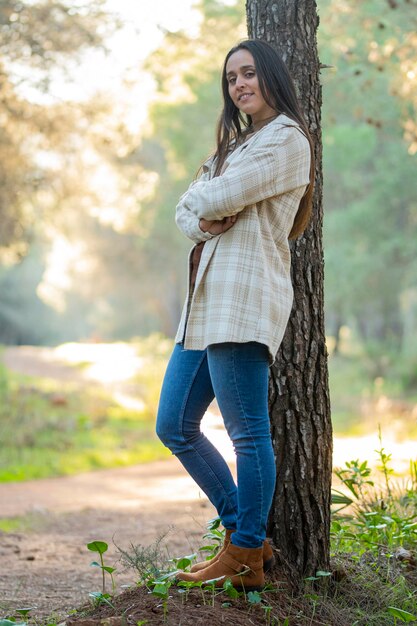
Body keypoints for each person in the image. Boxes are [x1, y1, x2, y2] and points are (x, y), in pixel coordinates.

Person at [156, 38, 314, 592]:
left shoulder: (288, 141)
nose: (240, 85)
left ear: (270, 75)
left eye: (249, 74)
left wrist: (207, 200)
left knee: (247, 433)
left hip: (245, 300)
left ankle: (246, 551)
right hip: (204, 305)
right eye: (231, 79)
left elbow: (218, 196)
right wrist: (203, 216)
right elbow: (187, 210)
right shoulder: (235, 146)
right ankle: (242, 537)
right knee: (173, 424)